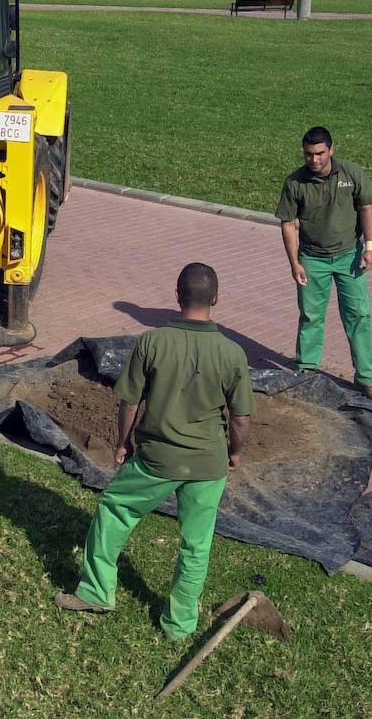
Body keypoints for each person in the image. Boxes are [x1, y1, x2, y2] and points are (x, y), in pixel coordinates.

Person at [54, 263, 254, 642]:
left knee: (115, 507)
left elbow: (129, 402)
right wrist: (235, 452)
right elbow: (241, 417)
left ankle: (96, 592)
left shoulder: (153, 342)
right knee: (196, 544)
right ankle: (179, 626)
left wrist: (122, 442)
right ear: (216, 299)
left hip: (156, 459)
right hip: (208, 464)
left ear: (176, 297)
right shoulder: (232, 353)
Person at [274, 126, 372, 403]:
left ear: (332, 150)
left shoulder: (352, 174)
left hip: (349, 258)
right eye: (309, 154)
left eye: (320, 153)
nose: (314, 160)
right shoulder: (295, 182)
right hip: (312, 260)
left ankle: (366, 378)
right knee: (311, 316)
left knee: (358, 316)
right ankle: (306, 370)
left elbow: (366, 208)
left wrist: (370, 247)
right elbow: (288, 224)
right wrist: (294, 262)